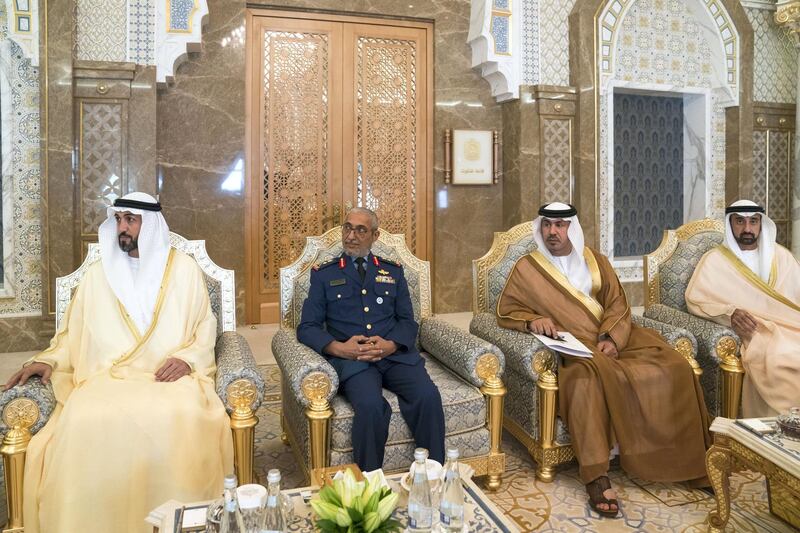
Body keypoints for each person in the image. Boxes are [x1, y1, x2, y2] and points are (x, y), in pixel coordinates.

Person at [4, 192, 233, 533]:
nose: (122, 228)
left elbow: (205, 327)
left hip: (167, 378)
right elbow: (71, 333)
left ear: (151, 224)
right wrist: (49, 360)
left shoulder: (184, 270)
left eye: (131, 220)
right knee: (82, 419)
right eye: (119, 220)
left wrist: (187, 359)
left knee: (184, 417)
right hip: (105, 377)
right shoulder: (98, 275)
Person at [496, 202, 710, 518]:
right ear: (540, 228)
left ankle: (688, 460)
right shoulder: (527, 268)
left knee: (675, 366)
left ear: (572, 228)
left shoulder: (595, 260)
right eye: (547, 226)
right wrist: (532, 320)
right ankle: (597, 476)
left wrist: (611, 337)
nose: (553, 232)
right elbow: (505, 310)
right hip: (574, 347)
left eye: (560, 225)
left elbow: (618, 303)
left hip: (613, 337)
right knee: (584, 383)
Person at [297, 207, 445, 471]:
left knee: (427, 396)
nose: (351, 235)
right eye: (347, 228)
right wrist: (340, 349)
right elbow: (306, 327)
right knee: (370, 406)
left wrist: (391, 345)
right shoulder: (324, 274)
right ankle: (369, 481)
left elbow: (407, 322)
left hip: (394, 356)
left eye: (360, 230)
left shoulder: (393, 272)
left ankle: (433, 474)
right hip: (355, 363)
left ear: (374, 236)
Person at [685, 200, 800, 416]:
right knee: (781, 359)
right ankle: (782, 426)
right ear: (730, 224)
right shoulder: (715, 261)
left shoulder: (781, 256)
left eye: (753, 222)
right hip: (757, 331)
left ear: (761, 224)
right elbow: (697, 299)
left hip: (793, 327)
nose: (747, 228)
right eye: (740, 221)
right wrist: (730, 313)